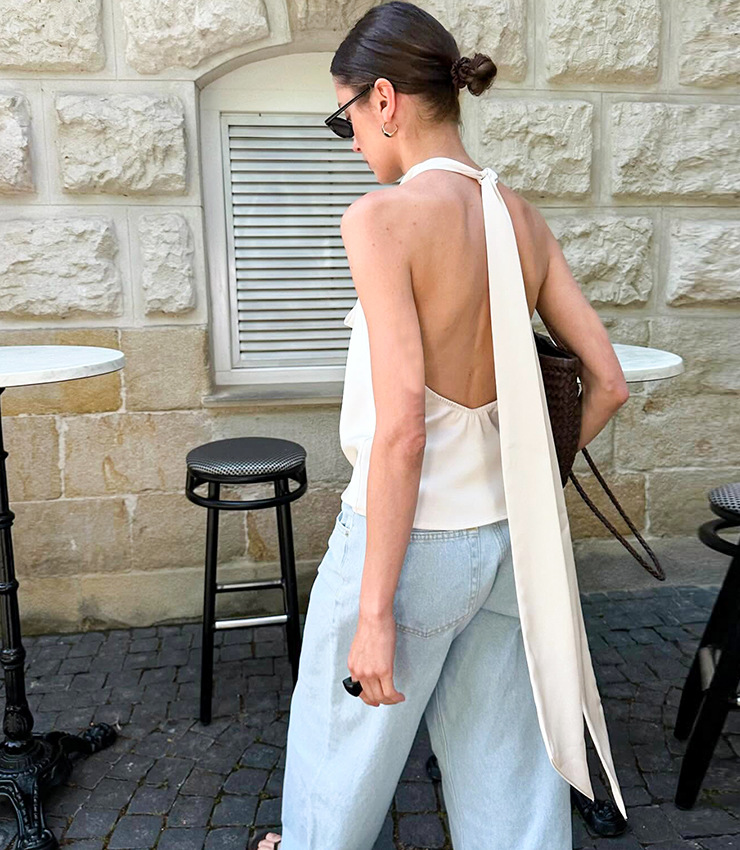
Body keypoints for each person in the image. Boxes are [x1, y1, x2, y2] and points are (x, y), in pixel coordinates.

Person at [250, 3, 629, 848]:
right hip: (509, 542)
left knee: (339, 767)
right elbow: (607, 383)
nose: (352, 141)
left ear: (384, 100)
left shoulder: (380, 219)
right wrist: (527, 476)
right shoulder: (522, 218)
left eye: (345, 117)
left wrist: (374, 611)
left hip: (407, 544)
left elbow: (403, 432)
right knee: (511, 786)